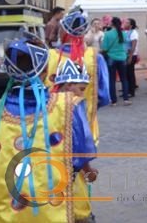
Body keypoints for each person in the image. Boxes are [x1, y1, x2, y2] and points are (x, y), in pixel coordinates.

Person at [0, 35, 96, 221]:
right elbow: (80, 157)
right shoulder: (69, 105)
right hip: (53, 212)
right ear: (45, 71)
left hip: (3, 213)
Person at [45, 8, 110, 146]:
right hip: (85, 126)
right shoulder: (96, 58)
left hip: (53, 128)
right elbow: (104, 97)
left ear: (63, 31)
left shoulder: (48, 56)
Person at [53, 57, 100, 223]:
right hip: (71, 177)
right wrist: (88, 170)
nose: (82, 94)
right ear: (68, 85)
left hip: (49, 177)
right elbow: (81, 146)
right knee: (80, 215)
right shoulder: (73, 105)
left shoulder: (47, 103)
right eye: (81, 89)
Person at [101, 16, 131, 106]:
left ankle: (113, 101)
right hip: (122, 57)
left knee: (112, 79)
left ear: (111, 24)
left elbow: (104, 48)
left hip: (111, 57)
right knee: (124, 79)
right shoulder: (123, 34)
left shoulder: (107, 34)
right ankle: (126, 99)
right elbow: (126, 45)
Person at [124, 18, 139, 98]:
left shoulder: (134, 33)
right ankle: (127, 90)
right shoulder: (125, 32)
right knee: (126, 74)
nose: (125, 24)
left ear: (131, 25)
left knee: (130, 73)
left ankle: (131, 91)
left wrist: (130, 57)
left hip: (131, 55)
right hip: (125, 55)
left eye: (127, 23)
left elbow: (133, 45)